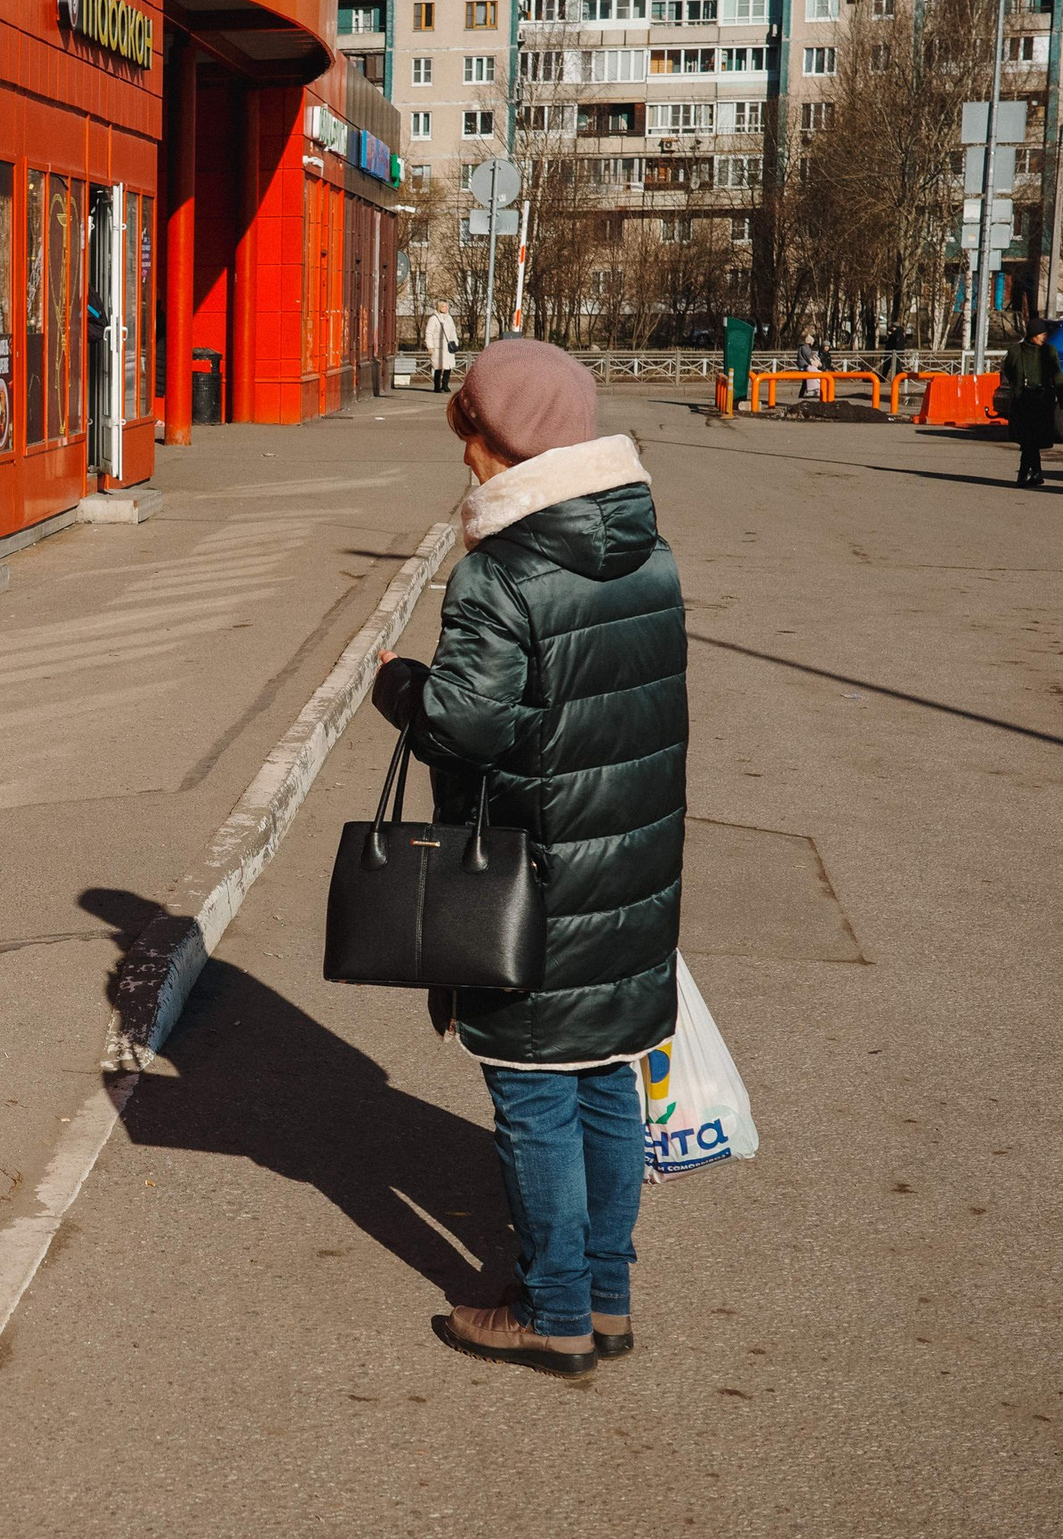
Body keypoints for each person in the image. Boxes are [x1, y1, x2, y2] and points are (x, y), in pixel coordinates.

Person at [372, 336, 687, 1380]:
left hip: (530, 870)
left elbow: (465, 728)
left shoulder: (500, 571)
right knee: (603, 1078)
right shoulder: (647, 547)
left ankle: (552, 1312)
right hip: (630, 861)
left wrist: (402, 687)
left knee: (533, 1092)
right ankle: (603, 1296)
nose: (462, 458)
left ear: (495, 438)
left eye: (467, 434)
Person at [998, 318, 1063, 488]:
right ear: (1032, 334)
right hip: (1023, 401)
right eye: (1041, 334)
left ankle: (1027, 473)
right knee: (1029, 439)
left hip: (1042, 401)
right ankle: (1034, 473)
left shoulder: (1049, 351)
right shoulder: (1015, 351)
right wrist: (1019, 388)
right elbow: (1010, 372)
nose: (1044, 337)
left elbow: (1057, 376)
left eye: (1045, 334)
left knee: (1031, 440)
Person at [424, 303, 461, 393]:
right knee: (438, 367)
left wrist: (455, 343)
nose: (446, 308)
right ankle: (437, 386)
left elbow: (453, 332)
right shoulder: (433, 319)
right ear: (439, 307)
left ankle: (445, 385)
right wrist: (430, 346)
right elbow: (429, 333)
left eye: (447, 306)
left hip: (448, 346)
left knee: (448, 366)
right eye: (444, 306)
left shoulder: (449, 318)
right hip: (438, 347)